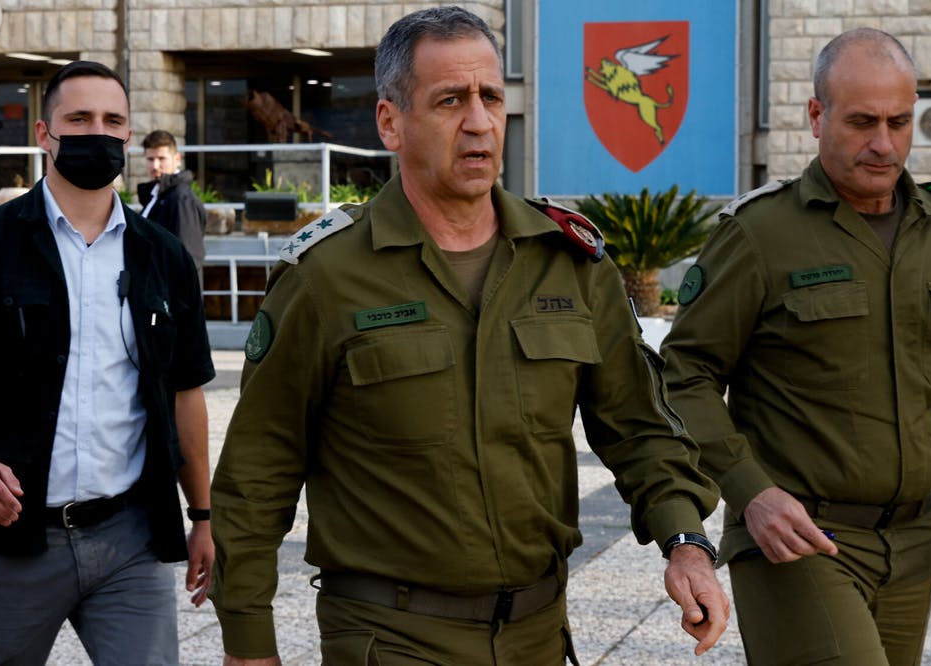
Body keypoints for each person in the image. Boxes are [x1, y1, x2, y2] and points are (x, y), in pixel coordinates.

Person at [209, 6, 728, 665]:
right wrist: (249, 644)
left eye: (490, 97)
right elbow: (258, 471)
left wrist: (685, 542)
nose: (480, 122)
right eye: (450, 100)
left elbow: (637, 424)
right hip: (392, 637)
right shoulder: (327, 278)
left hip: (539, 633)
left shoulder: (568, 260)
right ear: (391, 123)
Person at [661, 28, 931, 666]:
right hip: (795, 539)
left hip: (911, 546)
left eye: (900, 121)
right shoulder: (761, 233)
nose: (884, 143)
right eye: (862, 121)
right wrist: (750, 491)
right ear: (816, 116)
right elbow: (684, 377)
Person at [0, 61, 216, 665]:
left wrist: (203, 514)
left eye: (113, 121)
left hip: (129, 536)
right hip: (12, 536)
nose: (98, 133)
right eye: (79, 119)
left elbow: (186, 393)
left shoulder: (163, 258)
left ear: (129, 136)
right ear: (44, 133)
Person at [138, 129, 207, 287]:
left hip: (171, 302)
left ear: (177, 159)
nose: (155, 166)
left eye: (161, 158)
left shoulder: (181, 199)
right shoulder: (157, 195)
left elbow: (187, 259)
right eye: (150, 159)